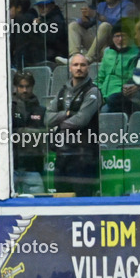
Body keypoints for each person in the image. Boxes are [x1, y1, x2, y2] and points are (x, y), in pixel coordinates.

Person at [45, 53, 102, 196]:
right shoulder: (62, 91)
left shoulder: (93, 91)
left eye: (83, 65)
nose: (79, 68)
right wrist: (67, 114)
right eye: (75, 65)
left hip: (85, 155)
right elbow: (47, 119)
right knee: (61, 198)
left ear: (88, 68)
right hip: (63, 155)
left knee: (84, 199)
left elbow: (81, 120)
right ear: (70, 68)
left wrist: (59, 123)